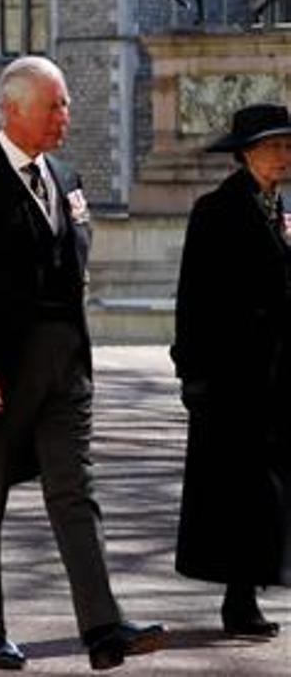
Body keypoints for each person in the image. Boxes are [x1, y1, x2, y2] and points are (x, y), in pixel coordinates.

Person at [0, 56, 164, 671]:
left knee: (75, 492)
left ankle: (103, 626)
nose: (66, 116)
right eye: (54, 105)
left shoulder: (66, 174)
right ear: (12, 109)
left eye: (65, 105)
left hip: (66, 368)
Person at [171, 102, 290, 639]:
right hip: (233, 377)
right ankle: (239, 599)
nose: (283, 156)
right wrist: (192, 373)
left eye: (287, 146)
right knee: (241, 491)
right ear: (245, 155)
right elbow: (193, 298)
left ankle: (253, 589)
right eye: (272, 147)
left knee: (270, 490)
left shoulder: (281, 207)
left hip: (277, 376)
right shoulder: (215, 211)